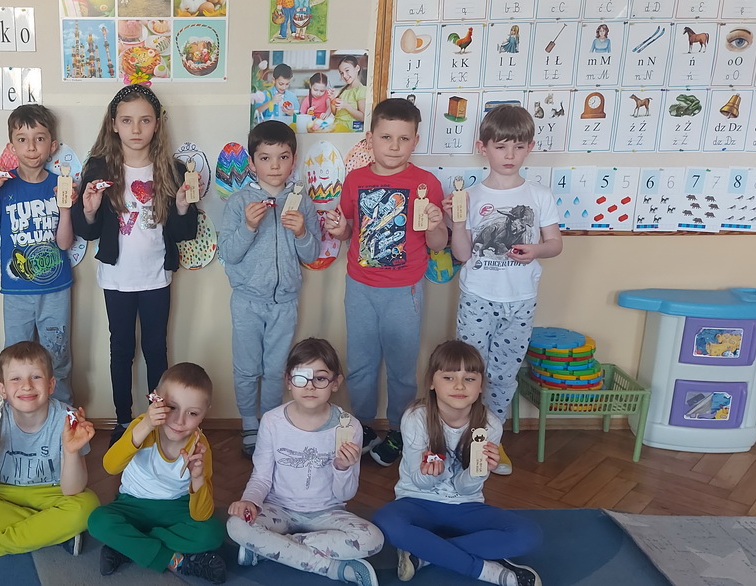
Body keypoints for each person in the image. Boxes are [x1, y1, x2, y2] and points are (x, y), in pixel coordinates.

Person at [71, 84, 199, 446]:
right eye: (127, 120)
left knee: (156, 350)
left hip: (157, 276)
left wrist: (183, 206)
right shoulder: (99, 169)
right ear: (114, 124)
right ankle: (124, 421)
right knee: (121, 351)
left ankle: (159, 421)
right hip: (117, 278)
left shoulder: (172, 170)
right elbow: (86, 231)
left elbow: (184, 233)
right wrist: (89, 209)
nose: (136, 129)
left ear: (157, 124)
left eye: (145, 120)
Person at [327, 98, 446, 467]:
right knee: (360, 365)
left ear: (416, 141)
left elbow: (437, 244)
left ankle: (399, 429)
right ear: (370, 139)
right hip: (360, 287)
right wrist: (339, 228)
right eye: (386, 137)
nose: (394, 146)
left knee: (401, 368)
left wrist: (436, 224)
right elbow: (349, 230)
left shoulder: (427, 183)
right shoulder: (355, 180)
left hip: (404, 290)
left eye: (403, 138)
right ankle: (362, 426)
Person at [444, 105, 561, 475]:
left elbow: (555, 244)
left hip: (520, 301)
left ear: (530, 147)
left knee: (503, 375)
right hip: (477, 297)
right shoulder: (470, 196)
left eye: (518, 146)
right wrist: (457, 222)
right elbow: (462, 254)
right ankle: (461, 439)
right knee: (468, 373)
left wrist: (536, 250)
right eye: (501, 146)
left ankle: (492, 441)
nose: (510, 155)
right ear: (483, 148)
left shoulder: (539, 194)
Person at [371, 341, 543, 585]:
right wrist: (432, 473)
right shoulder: (416, 418)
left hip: (467, 506)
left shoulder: (490, 426)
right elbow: (419, 482)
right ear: (432, 382)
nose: (459, 386)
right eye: (449, 378)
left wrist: (477, 471)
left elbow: (466, 488)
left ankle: (425, 554)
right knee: (386, 524)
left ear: (481, 385)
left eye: (469, 379)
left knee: (528, 535)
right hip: (417, 502)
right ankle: (488, 571)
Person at [226, 338, 383, 586]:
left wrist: (342, 468)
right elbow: (261, 476)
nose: (310, 386)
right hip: (278, 509)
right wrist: (249, 501)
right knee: (237, 525)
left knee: (373, 539)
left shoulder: (349, 426)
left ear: (335, 382)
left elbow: (346, 494)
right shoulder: (272, 421)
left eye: (320, 378)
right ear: (288, 380)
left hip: (328, 514)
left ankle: (271, 548)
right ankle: (333, 569)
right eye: (301, 377)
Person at [0, 341, 100, 556]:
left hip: (52, 493)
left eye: (36, 377)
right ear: (2, 389)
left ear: (51, 385)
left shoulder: (68, 419)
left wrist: (71, 452)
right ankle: (51, 530)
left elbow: (73, 490)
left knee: (88, 507)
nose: (26, 386)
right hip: (4, 493)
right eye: (16, 379)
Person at [218, 120, 320, 457]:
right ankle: (250, 422)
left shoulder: (302, 202)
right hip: (247, 301)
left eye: (283, 157)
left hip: (285, 302)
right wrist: (248, 226)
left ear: (293, 160)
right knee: (247, 368)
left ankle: (272, 422)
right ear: (252, 163)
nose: (274, 166)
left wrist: (302, 232)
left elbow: (312, 254)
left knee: (276, 369)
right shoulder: (239, 203)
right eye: (265, 158)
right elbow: (229, 253)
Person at [0, 104, 75, 404]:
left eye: (39, 139)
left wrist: (66, 209)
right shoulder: (3, 187)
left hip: (56, 290)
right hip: (16, 293)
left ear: (52, 145)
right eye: (22, 139)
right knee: (15, 361)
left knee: (58, 359)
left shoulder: (59, 185)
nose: (31, 147)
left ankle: (63, 420)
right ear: (12, 146)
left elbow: (65, 244)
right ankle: (17, 419)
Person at [87, 363, 227, 583]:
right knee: (98, 521)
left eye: (192, 413)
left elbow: (201, 515)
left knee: (213, 533)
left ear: (204, 413)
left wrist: (198, 477)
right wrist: (145, 426)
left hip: (176, 508)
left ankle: (129, 546)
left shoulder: (200, 447)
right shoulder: (143, 428)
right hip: (132, 504)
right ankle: (175, 560)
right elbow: (110, 466)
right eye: (172, 407)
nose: (179, 421)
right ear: (156, 399)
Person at [331, 55, 367, 132]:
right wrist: (332, 99)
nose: (344, 75)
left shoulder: (361, 90)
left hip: (350, 130)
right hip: (337, 127)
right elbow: (335, 113)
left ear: (357, 68)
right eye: (341, 73)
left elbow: (363, 117)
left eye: (347, 70)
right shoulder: (343, 90)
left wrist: (346, 106)